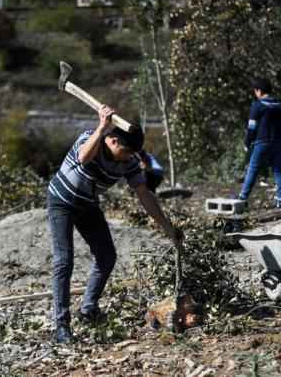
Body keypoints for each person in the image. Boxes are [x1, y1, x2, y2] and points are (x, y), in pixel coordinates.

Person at [47, 105, 181, 344]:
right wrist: (101, 128)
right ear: (113, 141)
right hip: (62, 202)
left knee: (107, 256)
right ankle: (61, 325)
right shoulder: (90, 138)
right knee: (64, 262)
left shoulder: (128, 161)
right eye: (127, 151)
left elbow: (144, 194)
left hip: (87, 204)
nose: (130, 157)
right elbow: (83, 158)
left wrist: (168, 228)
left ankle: (88, 309)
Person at [238, 78, 281, 209]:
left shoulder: (257, 105)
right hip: (277, 141)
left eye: (255, 91)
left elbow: (252, 126)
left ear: (259, 91)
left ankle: (243, 197)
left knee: (253, 168)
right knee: (277, 170)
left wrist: (247, 142)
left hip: (262, 140)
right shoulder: (280, 105)